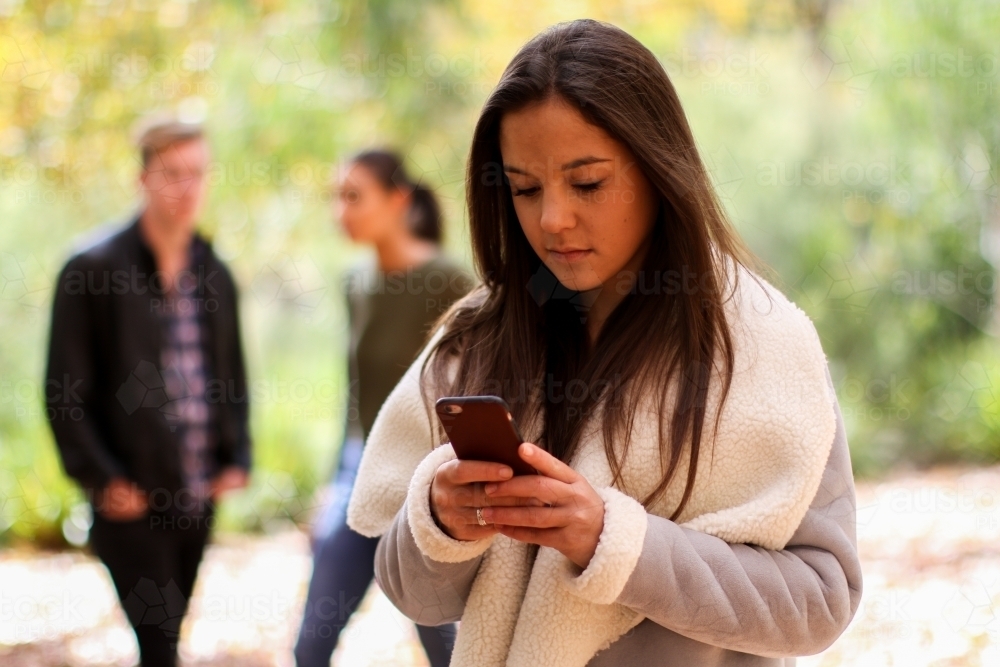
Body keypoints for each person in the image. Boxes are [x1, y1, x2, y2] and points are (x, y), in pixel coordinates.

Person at [346, 20, 863, 667]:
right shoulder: (479, 336)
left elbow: (819, 601)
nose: (552, 218)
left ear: (658, 167)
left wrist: (615, 542)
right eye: (525, 188)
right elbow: (415, 594)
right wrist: (442, 518)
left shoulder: (761, 343)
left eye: (587, 182)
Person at [44, 116, 251, 667]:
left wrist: (238, 455)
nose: (187, 188)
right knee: (159, 642)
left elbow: (231, 373)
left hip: (198, 491)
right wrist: (102, 479)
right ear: (143, 179)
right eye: (172, 174)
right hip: (132, 497)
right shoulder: (91, 269)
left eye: (197, 173)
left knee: (166, 635)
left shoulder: (214, 272)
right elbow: (63, 390)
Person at [294, 150, 473, 667]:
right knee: (311, 643)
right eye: (336, 197)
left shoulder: (447, 282)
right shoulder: (355, 283)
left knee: (445, 646)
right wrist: (333, 484)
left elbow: (473, 390)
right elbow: (356, 398)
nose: (340, 210)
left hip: (424, 482)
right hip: (359, 475)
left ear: (397, 200)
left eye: (354, 196)